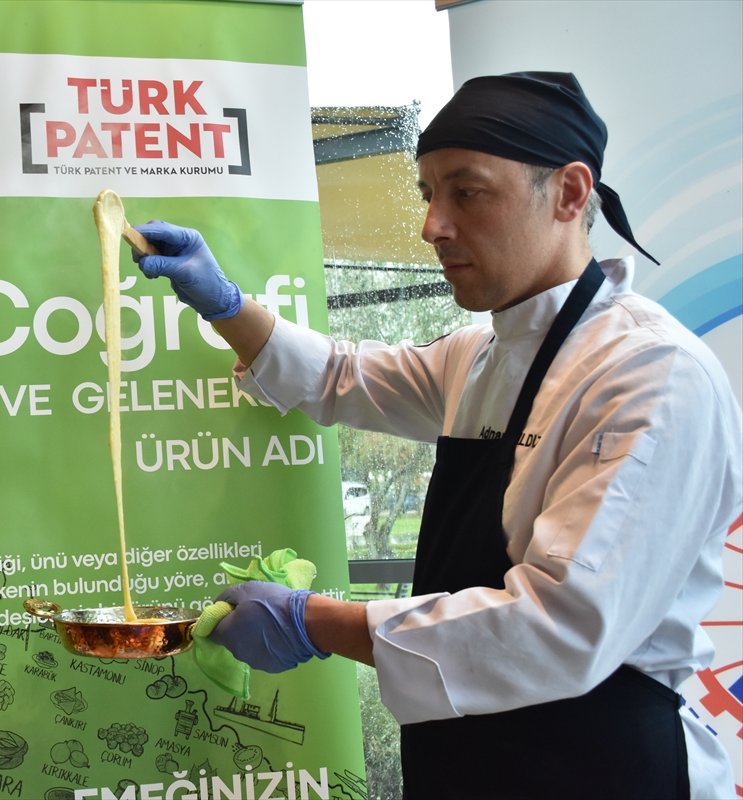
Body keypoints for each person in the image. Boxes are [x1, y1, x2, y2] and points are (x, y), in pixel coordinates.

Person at [132, 72, 740, 799]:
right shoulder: (478, 356)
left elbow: (560, 627)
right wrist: (224, 303)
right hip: (471, 761)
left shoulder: (649, 374)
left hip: (605, 764)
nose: (432, 227)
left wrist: (314, 622)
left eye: (467, 192)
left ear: (571, 193)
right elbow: (338, 376)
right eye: (427, 195)